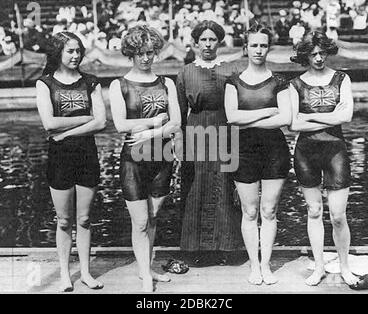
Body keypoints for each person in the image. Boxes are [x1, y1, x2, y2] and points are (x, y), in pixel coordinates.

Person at [108, 25, 181, 292]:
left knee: (153, 217)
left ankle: (147, 267)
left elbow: (176, 123)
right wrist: (153, 121)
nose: (146, 58)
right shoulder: (119, 85)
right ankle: (145, 274)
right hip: (133, 161)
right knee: (139, 220)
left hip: (162, 156)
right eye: (140, 53)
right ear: (130, 53)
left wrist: (151, 133)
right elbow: (120, 124)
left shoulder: (167, 83)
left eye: (150, 52)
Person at [36, 32, 107, 292]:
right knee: (64, 221)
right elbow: (49, 123)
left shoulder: (90, 82)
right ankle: (66, 274)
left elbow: (102, 122)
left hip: (86, 156)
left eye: (78, 50)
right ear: (58, 53)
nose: (76, 55)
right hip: (60, 159)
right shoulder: (45, 83)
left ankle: (86, 273)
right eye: (70, 51)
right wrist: (85, 117)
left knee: (85, 219)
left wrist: (65, 132)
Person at [288, 31, 359, 286]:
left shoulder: (342, 79)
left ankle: (345, 266)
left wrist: (310, 117)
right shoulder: (295, 84)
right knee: (314, 210)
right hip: (306, 152)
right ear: (305, 55)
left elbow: (346, 117)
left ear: (328, 52)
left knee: (338, 215)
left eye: (322, 53)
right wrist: (329, 116)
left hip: (335, 151)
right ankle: (318, 267)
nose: (318, 58)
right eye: (312, 53)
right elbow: (293, 124)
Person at [224, 22, 291, 285]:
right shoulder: (234, 82)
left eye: (263, 45)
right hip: (243, 152)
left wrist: (246, 120)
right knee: (250, 211)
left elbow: (285, 118)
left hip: (274, 151)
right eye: (254, 45)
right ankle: (254, 265)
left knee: (269, 209)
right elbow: (231, 117)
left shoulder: (279, 81)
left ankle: (266, 265)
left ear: (269, 48)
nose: (259, 50)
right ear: (246, 48)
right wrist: (267, 111)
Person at [176, 20, 243, 266]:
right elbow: (180, 113)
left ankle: (227, 247)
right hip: (196, 131)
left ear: (219, 42)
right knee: (197, 186)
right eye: (203, 39)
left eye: (212, 39)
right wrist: (181, 144)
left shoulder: (231, 70)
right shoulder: (185, 72)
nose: (207, 44)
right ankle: (195, 249)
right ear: (195, 42)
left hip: (225, 129)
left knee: (225, 184)